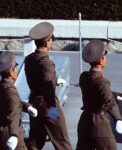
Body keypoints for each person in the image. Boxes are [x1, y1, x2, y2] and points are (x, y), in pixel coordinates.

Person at [24, 22, 72, 150]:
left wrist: (55, 80)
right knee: (62, 142)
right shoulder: (47, 62)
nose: (52, 42)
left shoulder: (29, 58)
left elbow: (39, 78)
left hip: (34, 100)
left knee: (35, 141)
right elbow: (47, 86)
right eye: (51, 40)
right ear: (46, 42)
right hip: (47, 103)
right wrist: (52, 108)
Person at [76, 40, 122, 150]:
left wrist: (116, 96)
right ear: (101, 60)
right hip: (99, 124)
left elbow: (97, 92)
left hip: (85, 122)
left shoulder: (84, 76)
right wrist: (118, 119)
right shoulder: (102, 81)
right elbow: (109, 101)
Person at [0, 51, 38, 150]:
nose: (16, 70)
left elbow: (10, 103)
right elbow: (13, 114)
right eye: (15, 67)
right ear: (12, 71)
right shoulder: (11, 91)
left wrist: (27, 107)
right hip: (9, 133)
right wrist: (14, 135)